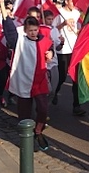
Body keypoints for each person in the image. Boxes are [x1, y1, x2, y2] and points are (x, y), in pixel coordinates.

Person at [5, 15, 54, 151]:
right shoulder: (19, 41)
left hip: (40, 81)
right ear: (25, 31)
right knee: (24, 113)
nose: (33, 33)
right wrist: (3, 7)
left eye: (35, 30)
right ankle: (26, 139)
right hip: (24, 81)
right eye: (30, 30)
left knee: (43, 109)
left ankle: (38, 130)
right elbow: (9, 32)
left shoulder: (44, 41)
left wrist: (51, 53)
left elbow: (51, 49)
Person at [52, 0, 85, 116]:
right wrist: (63, 24)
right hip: (63, 50)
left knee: (75, 78)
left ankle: (76, 106)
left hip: (74, 49)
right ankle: (55, 91)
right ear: (66, 2)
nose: (74, 4)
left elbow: (80, 27)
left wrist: (79, 32)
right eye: (72, 1)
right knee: (62, 76)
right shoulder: (59, 13)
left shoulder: (77, 13)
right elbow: (53, 29)